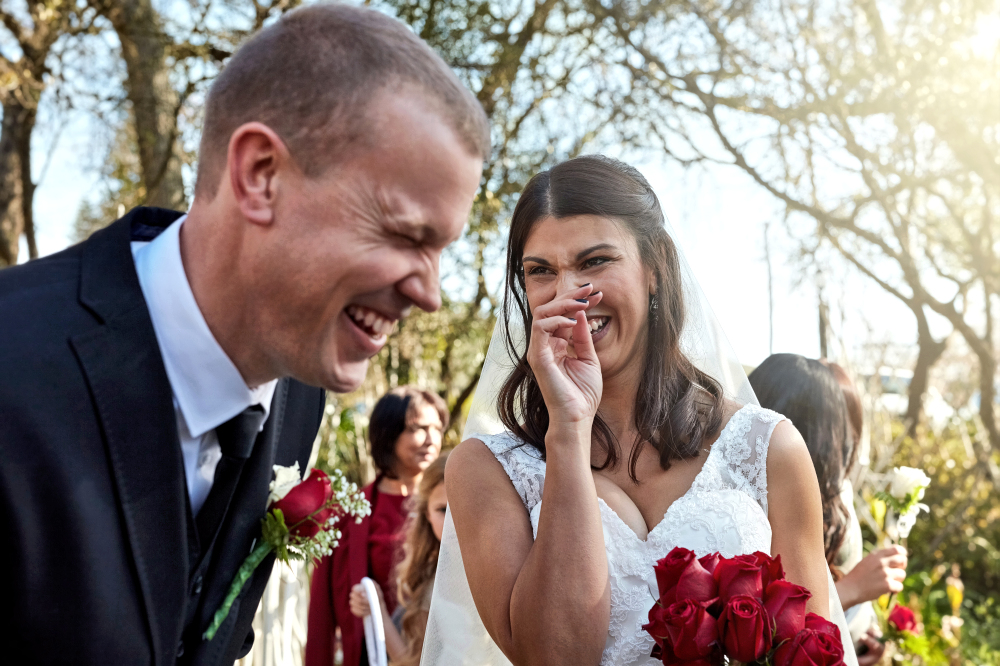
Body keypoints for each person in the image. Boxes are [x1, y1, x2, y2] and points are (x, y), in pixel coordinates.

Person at [0, 5, 488, 664]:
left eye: (442, 252)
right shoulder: (15, 361)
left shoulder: (298, 394)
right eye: (405, 235)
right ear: (261, 175)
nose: (430, 296)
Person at [425, 155, 859, 665]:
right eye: (541, 271)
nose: (570, 295)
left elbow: (811, 651)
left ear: (655, 269)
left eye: (595, 262)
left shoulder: (768, 447)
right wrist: (567, 430)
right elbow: (555, 660)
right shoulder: (486, 470)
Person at [749, 355, 908, 666]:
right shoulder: (739, 517)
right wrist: (852, 589)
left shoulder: (834, 503)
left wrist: (853, 650)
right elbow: (761, 634)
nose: (846, 448)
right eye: (839, 435)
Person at [307, 387, 447, 666]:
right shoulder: (345, 513)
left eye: (437, 428)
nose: (431, 439)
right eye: (417, 428)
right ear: (388, 434)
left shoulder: (454, 507)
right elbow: (321, 614)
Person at [347, 452, 450, 666]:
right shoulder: (429, 576)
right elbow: (411, 661)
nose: (452, 521)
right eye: (443, 510)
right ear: (427, 514)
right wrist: (376, 609)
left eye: (461, 508)